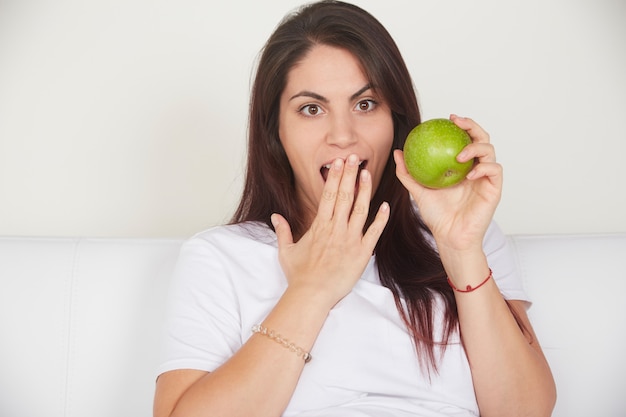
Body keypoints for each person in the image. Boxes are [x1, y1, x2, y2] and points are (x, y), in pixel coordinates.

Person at [153, 1, 556, 416]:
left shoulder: (467, 237)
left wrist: (460, 249)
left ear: (396, 121)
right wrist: (313, 290)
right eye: (312, 109)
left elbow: (524, 410)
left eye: (365, 105)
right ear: (276, 131)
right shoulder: (220, 256)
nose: (343, 136)